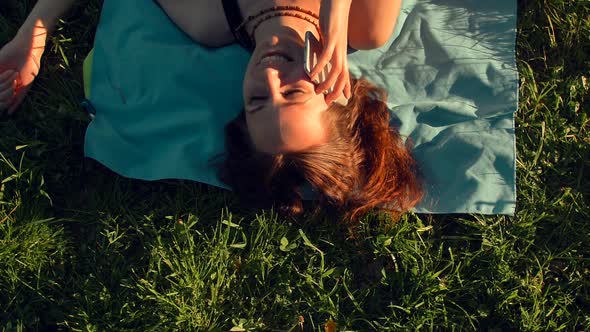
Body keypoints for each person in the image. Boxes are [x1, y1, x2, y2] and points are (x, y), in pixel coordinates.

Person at [0, 0, 423, 222]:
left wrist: (31, 38)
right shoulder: (365, 24)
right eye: (293, 93)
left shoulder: (209, 17)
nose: (270, 77)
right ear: (339, 91)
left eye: (257, 100)